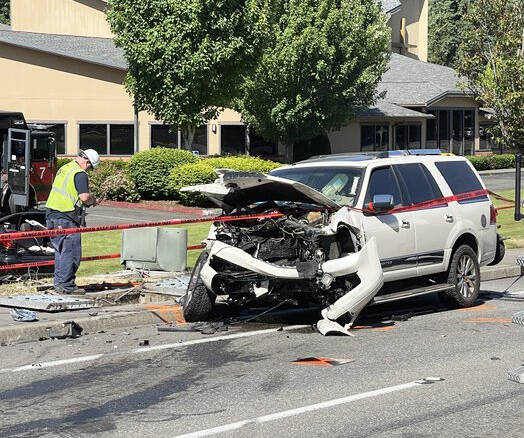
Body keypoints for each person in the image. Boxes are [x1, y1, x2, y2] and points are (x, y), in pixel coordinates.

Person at [45, 149, 100, 294]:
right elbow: (84, 197)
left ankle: (59, 284)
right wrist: (93, 200)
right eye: (91, 167)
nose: (89, 169)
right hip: (66, 217)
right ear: (87, 162)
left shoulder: (65, 168)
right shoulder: (80, 174)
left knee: (61, 252)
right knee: (71, 253)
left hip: (52, 215)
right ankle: (67, 286)